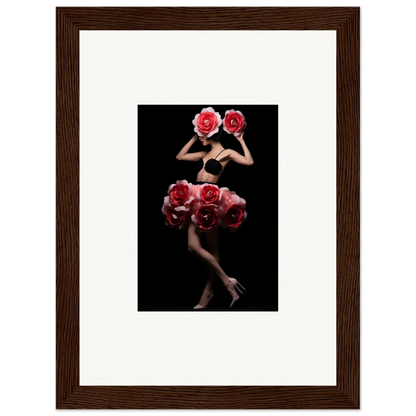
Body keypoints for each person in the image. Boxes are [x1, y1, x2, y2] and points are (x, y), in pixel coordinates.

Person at [162, 107, 254, 309]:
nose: (200, 137)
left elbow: (249, 161)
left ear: (212, 133)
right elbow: (180, 156)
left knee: (211, 248)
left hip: (212, 199)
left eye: (202, 134)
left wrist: (240, 141)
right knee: (194, 247)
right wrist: (195, 138)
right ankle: (227, 281)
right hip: (196, 197)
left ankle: (207, 293)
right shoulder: (203, 153)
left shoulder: (227, 152)